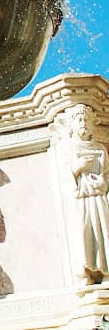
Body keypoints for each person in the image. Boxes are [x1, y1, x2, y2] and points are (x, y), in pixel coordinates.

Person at [54, 104, 109, 285]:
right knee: (81, 232)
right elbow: (60, 175)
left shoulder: (100, 148)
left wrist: (104, 184)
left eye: (86, 120)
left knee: (103, 233)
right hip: (79, 200)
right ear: (71, 124)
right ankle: (84, 272)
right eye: (79, 119)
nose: (83, 123)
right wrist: (76, 168)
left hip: (99, 199)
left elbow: (107, 174)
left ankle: (105, 271)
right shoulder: (66, 147)